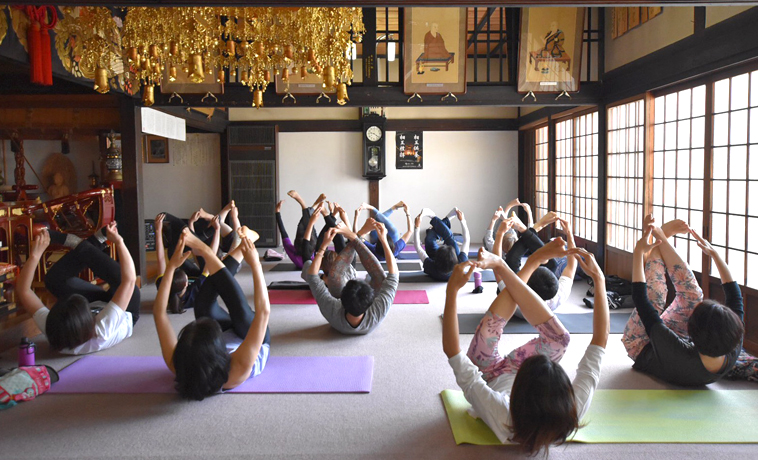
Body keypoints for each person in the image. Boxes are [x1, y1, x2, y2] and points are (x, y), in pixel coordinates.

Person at [443, 245, 608, 455]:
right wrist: (599, 279)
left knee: (489, 330)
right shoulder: (572, 409)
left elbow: (453, 352)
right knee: (560, 340)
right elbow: (601, 340)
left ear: (518, 391)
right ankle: (518, 265)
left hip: (489, 373)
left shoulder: (501, 412)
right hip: (527, 385)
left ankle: (529, 264)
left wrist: (452, 290)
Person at [622, 216, 744, 386]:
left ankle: (660, 239)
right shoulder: (732, 341)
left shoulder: (678, 354)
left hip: (640, 344)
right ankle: (661, 240)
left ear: (691, 333)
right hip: (674, 342)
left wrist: (638, 253)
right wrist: (714, 255)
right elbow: (734, 295)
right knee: (693, 296)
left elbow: (642, 301)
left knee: (655, 299)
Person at [153, 227, 271, 400]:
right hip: (254, 339)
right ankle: (224, 250)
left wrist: (171, 267)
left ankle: (240, 249)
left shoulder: (178, 363)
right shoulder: (236, 371)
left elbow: (159, 313)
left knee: (203, 305)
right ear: (219, 353)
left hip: (222, 343)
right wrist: (255, 264)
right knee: (242, 314)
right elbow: (263, 313)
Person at [17, 222, 139, 354]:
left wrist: (35, 255)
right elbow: (129, 280)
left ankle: (87, 244)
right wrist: (119, 242)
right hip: (126, 311)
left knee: (54, 280)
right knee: (121, 280)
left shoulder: (53, 328)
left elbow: (23, 290)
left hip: (95, 307)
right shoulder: (102, 329)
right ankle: (86, 243)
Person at [302, 219, 398, 335]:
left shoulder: (333, 310)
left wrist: (323, 246)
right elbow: (394, 274)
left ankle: (356, 235)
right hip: (355, 276)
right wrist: (383, 241)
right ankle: (355, 236)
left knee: (334, 277)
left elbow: (312, 276)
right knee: (381, 277)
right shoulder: (377, 312)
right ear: (371, 302)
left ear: (341, 300)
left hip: (340, 285)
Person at [492, 215, 577, 317]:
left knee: (511, 261)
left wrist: (500, 233)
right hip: (534, 298)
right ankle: (528, 229)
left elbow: (497, 267)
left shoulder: (513, 294)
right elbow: (572, 265)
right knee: (552, 263)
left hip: (513, 298)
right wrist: (569, 233)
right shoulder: (558, 296)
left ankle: (534, 228)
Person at [414, 207, 470, 281]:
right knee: (449, 237)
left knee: (430, 238)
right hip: (445, 260)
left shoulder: (431, 266)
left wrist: (416, 227)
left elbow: (417, 246)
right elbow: (467, 240)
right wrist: (463, 220)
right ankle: (439, 219)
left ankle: (439, 218)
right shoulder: (460, 264)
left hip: (436, 259)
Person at [275, 190, 326, 269]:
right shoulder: (317, 257)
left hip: (311, 241)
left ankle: (305, 204)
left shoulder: (295, 256)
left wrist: (277, 213)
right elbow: (283, 232)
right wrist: (277, 212)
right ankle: (309, 205)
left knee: (309, 221)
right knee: (309, 224)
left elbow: (283, 233)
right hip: (314, 241)